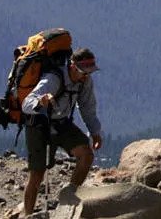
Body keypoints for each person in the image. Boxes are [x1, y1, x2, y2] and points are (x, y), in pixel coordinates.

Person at [17, 48, 102, 217]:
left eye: (89, 72)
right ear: (72, 66)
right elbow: (26, 104)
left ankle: (68, 199)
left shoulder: (85, 81)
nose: (86, 76)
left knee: (86, 155)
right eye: (83, 71)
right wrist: (41, 101)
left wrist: (95, 132)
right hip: (38, 124)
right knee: (37, 175)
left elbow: (87, 108)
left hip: (61, 123)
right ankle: (28, 214)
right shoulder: (53, 79)